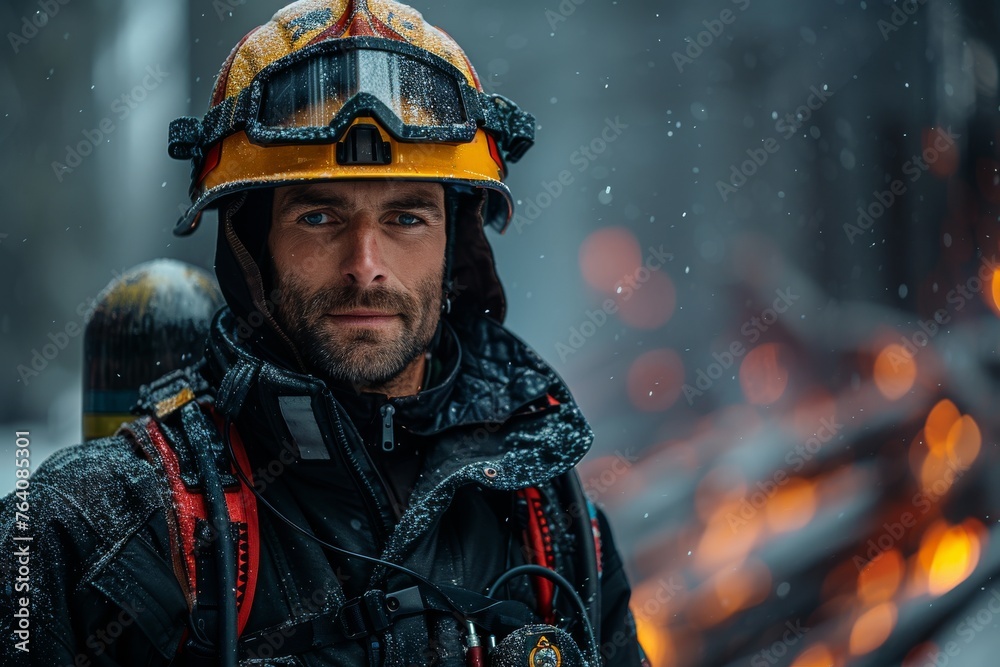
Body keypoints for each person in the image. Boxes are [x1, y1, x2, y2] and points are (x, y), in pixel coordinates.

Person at [1, 1, 649, 665]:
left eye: (406, 218)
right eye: (318, 216)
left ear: (457, 246)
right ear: (252, 246)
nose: (365, 266)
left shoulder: (549, 515)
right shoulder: (83, 531)